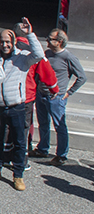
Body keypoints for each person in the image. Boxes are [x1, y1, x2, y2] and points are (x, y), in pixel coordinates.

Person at [0, 20, 42, 190]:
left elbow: (39, 55)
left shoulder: (22, 57)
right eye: (2, 41)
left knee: (20, 142)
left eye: (8, 41)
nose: (5, 45)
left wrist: (30, 34)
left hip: (17, 106)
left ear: (14, 42)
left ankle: (18, 175)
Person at [35, 28, 85, 166]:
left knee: (59, 126)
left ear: (59, 42)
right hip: (41, 94)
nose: (47, 40)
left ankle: (61, 155)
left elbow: (82, 77)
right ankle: (42, 149)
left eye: (50, 39)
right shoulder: (47, 54)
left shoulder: (68, 57)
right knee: (43, 123)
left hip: (56, 98)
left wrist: (69, 92)